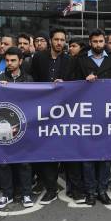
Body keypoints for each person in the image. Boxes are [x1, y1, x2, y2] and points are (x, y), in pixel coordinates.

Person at [66, 29, 111, 206]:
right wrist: (83, 80)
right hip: (86, 113)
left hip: (106, 114)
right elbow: (70, 83)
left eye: (100, 41)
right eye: (94, 41)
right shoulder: (79, 60)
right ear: (90, 42)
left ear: (105, 42)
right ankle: (90, 191)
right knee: (88, 156)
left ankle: (102, 190)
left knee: (105, 155)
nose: (98, 44)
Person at [28, 28, 70, 204]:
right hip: (42, 110)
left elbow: (75, 82)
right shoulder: (39, 57)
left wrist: (65, 84)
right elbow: (32, 79)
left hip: (62, 111)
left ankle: (57, 185)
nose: (59, 42)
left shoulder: (69, 60)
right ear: (51, 40)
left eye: (62, 40)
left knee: (59, 150)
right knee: (43, 150)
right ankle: (50, 187)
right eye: (56, 39)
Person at [0, 47, 35, 209]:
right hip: (4, 126)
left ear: (20, 61)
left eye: (13, 60)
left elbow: (33, 100)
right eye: (7, 60)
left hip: (23, 126)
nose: (9, 63)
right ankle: (7, 194)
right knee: (4, 162)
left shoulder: (29, 79)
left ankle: (26, 194)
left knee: (24, 162)